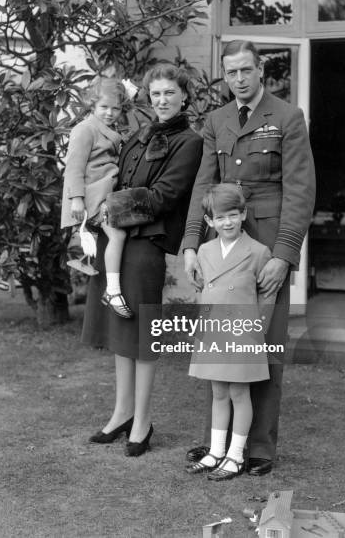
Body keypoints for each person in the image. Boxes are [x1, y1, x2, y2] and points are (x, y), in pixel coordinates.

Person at [183, 40, 316, 475]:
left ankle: (257, 449)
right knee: (219, 343)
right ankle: (216, 444)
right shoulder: (217, 119)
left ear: (261, 70)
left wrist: (285, 253)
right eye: (230, 72)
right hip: (222, 250)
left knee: (265, 345)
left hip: (267, 248)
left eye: (245, 70)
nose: (238, 79)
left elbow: (300, 190)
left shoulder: (287, 117)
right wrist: (190, 245)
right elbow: (204, 188)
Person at [82, 63, 203, 455]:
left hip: (146, 244)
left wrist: (107, 209)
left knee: (143, 334)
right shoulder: (139, 134)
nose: (162, 100)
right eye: (156, 94)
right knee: (121, 333)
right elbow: (116, 176)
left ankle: (144, 421)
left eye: (170, 93)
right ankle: (122, 414)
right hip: (115, 239)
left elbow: (163, 196)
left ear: (184, 95)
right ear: (148, 97)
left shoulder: (189, 142)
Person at [186, 184, 275, 481]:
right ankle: (215, 451)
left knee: (239, 392)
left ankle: (235, 456)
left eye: (233, 215)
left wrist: (256, 329)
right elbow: (206, 294)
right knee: (218, 392)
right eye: (221, 217)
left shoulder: (259, 252)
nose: (228, 222)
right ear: (210, 221)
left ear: (243, 214)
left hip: (242, 333)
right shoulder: (205, 250)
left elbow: (267, 294)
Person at [61, 76, 132, 318]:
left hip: (107, 194)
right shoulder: (85, 129)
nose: (110, 113)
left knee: (118, 235)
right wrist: (77, 199)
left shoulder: (110, 130)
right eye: (104, 107)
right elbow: (74, 167)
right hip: (92, 197)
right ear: (92, 105)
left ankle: (110, 289)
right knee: (118, 234)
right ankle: (112, 290)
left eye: (116, 108)